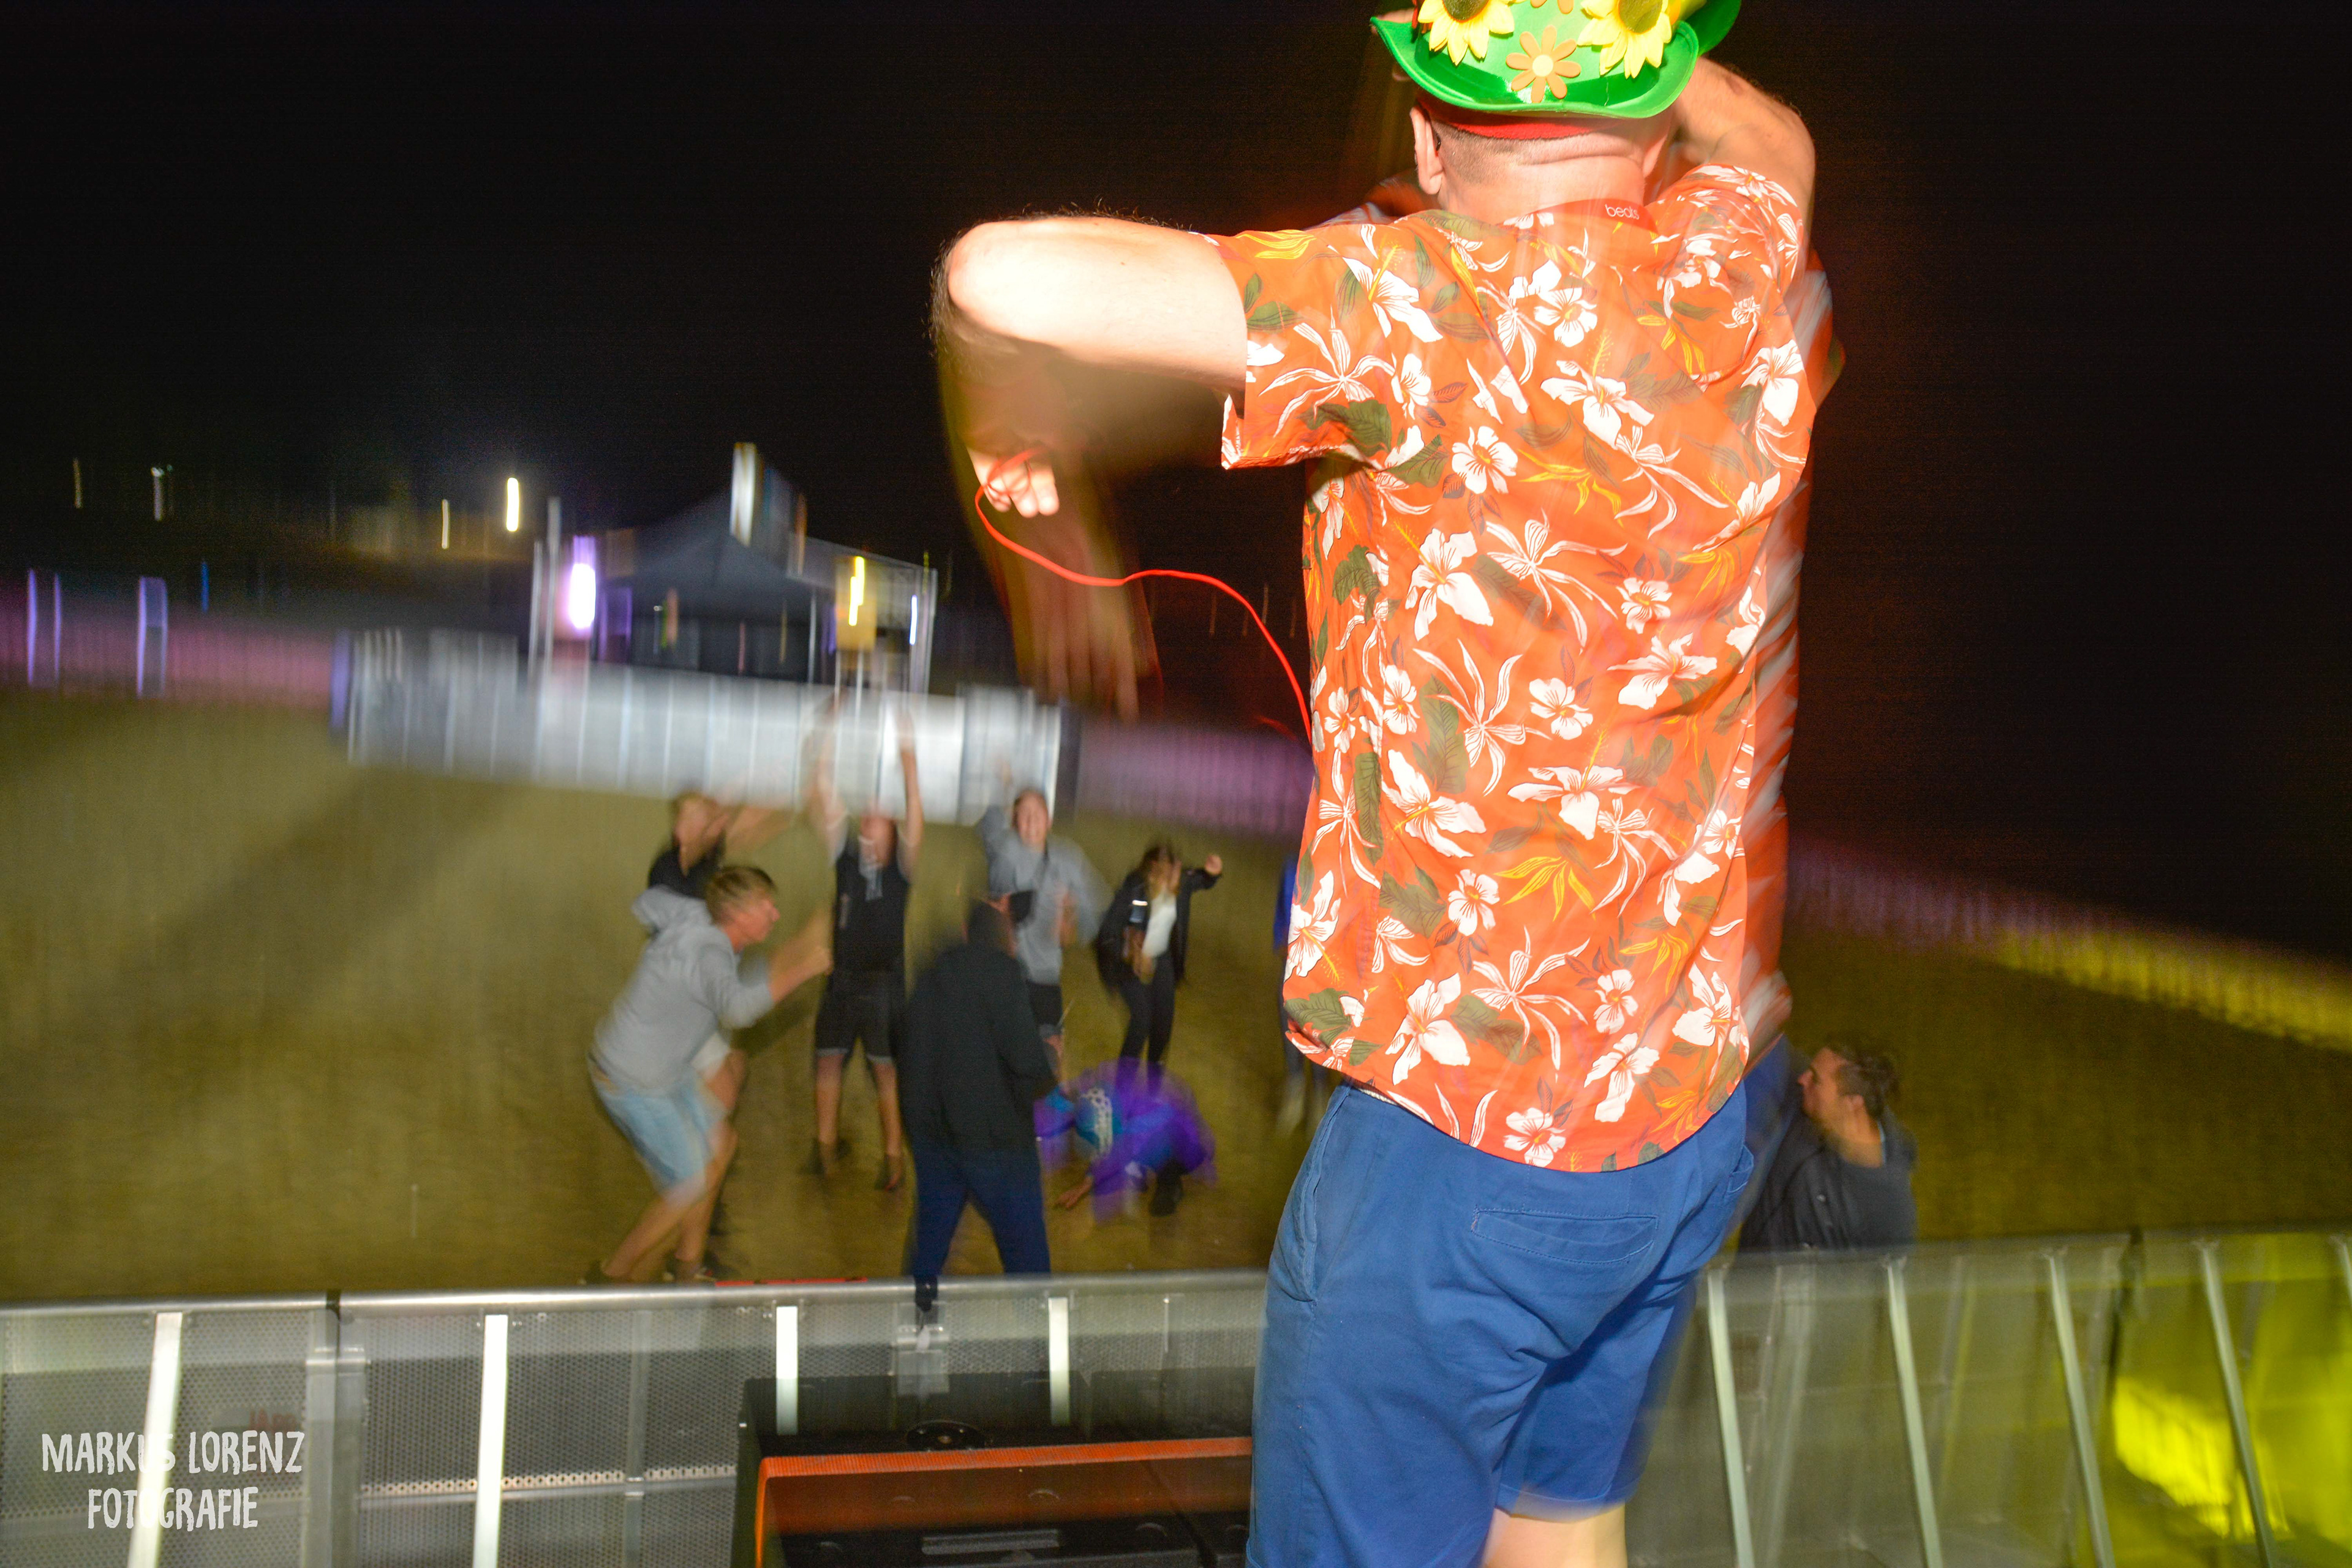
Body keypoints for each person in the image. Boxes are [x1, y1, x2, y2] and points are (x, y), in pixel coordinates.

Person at [935, 5, 1826, 1561]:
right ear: (1653, 117)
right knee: (1560, 1519)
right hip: (1682, 1111)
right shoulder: (1735, 264)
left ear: (1424, 127)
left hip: (1459, 1160)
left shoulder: (1414, 303)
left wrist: (1019, 441)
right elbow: (1777, 138)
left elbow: (994, 275)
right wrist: (1623, 60)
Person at [589, 867, 829, 1284]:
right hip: (633, 1080)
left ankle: (686, 1265)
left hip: (666, 1068)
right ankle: (608, 1277)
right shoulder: (710, 953)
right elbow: (737, 1009)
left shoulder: (697, 915)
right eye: (765, 907)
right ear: (736, 914)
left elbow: (648, 902)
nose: (774, 914)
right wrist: (804, 970)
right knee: (690, 1182)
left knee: (722, 1143)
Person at [899, 900, 1063, 1283]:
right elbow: (1027, 1063)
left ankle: (915, 1315)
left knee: (928, 1249)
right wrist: (1051, 1055)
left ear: (966, 933)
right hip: (996, 1147)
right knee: (1026, 1256)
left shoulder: (928, 977)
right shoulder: (1003, 974)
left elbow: (907, 1050)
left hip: (934, 1141)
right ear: (1007, 942)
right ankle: (1036, 1322)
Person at [807, 720, 924, 1189]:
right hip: (841, 981)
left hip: (883, 985)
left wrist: (909, 759)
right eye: (867, 815)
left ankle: (893, 1158)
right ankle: (824, 1148)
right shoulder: (846, 859)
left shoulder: (901, 869)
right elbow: (822, 788)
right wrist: (829, 731)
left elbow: (916, 809)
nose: (868, 820)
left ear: (893, 832)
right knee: (828, 1061)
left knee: (885, 1071)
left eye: (879, 817)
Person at [646, 790, 785, 1118]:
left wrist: (779, 799)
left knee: (735, 1067)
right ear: (682, 829)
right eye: (704, 818)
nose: (718, 823)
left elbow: (744, 824)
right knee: (723, 1092)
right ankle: (690, 1141)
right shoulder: (670, 870)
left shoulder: (705, 856)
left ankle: (692, 1130)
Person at [1738, 1038, 1917, 1251]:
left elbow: (1884, 1272)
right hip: (1746, 1269)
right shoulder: (1806, 1102)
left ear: (1852, 1103)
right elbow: (1762, 1046)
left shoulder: (1889, 1209)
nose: (1802, 1080)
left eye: (1816, 1079)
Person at [976, 788, 1106, 1060]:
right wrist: (1002, 786)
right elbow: (987, 831)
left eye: (1037, 814)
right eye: (1023, 815)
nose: (1031, 821)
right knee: (1001, 1053)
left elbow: (1095, 910)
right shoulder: (1007, 852)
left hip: (1045, 975)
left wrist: (1070, 920)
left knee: (1051, 1054)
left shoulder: (1068, 858)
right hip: (1008, 973)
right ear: (1015, 821)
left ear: (1049, 820)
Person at [1095, 842, 1221, 1081]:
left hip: (1162, 960)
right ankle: (1124, 1085)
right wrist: (1131, 952)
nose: (1170, 877)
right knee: (1141, 1021)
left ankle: (1153, 1085)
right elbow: (1107, 933)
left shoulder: (1180, 883)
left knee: (1162, 1026)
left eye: (1173, 869)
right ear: (1150, 870)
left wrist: (1212, 873)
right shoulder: (1134, 889)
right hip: (1128, 963)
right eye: (1163, 870)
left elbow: (1201, 879)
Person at [1038, 1061, 1216, 1218]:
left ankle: (1169, 1183)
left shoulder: (1146, 1111)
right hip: (1137, 1116)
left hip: (1192, 1143)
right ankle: (1137, 1166)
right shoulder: (1099, 1079)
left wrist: (1089, 1179)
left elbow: (1126, 1147)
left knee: (1155, 1144)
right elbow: (1060, 1096)